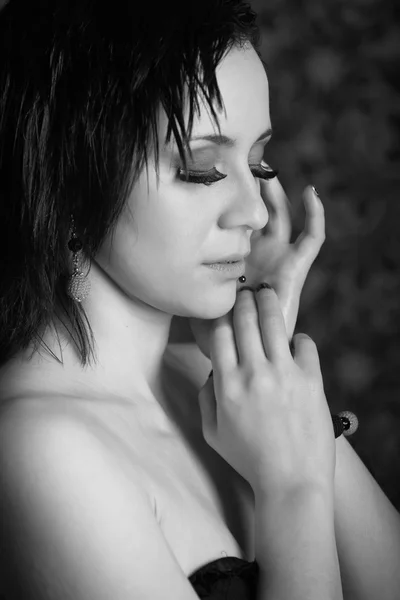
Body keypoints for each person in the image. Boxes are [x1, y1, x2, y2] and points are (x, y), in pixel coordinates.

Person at [0, 1, 399, 599]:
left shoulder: (212, 378)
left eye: (258, 163)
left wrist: (266, 352)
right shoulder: (40, 449)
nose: (257, 211)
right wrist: (293, 491)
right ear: (70, 183)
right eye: (201, 169)